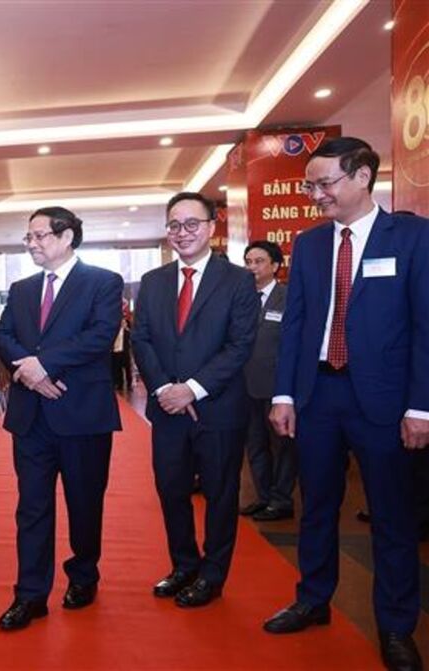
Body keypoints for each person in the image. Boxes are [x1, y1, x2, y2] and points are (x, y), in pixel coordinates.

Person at [263, 137, 428, 671]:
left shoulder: (413, 238)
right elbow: (294, 325)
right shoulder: (310, 244)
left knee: (392, 516)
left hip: (384, 400)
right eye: (310, 186)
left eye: (324, 183)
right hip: (318, 394)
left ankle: (396, 626)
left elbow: (425, 328)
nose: (316, 195)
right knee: (316, 506)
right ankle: (313, 598)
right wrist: (284, 393)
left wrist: (421, 406)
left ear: (362, 177)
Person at [0, 207, 123, 631]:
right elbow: (4, 335)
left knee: (85, 504)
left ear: (67, 237)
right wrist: (30, 372)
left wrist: (42, 365)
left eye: (39, 236)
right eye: (28, 237)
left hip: (82, 413)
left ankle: (83, 575)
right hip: (31, 417)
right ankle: (30, 595)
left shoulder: (103, 282)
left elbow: (100, 336)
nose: (31, 243)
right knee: (32, 508)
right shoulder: (22, 288)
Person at [131, 192, 259, 608]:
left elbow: (240, 345)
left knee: (220, 495)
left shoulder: (237, 280)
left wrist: (193, 388)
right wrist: (164, 389)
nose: (182, 233)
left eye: (191, 224)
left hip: (218, 408)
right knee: (171, 490)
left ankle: (213, 575)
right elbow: (141, 339)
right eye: (174, 225)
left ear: (211, 226)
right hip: (167, 409)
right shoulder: (153, 281)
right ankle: (184, 565)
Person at [239, 240, 297, 522]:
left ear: (275, 266)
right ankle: (263, 497)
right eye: (248, 262)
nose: (252, 267)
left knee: (284, 447)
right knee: (255, 445)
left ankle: (281, 499)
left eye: (259, 261)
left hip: (277, 387)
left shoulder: (289, 297)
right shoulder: (241, 298)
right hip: (245, 386)